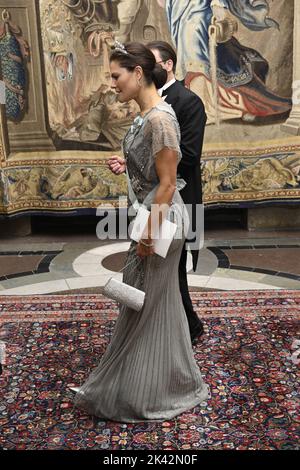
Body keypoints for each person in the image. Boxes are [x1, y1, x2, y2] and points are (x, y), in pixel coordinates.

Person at [73, 42, 208, 422]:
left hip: (161, 223)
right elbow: (151, 173)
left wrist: (148, 236)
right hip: (152, 217)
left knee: (144, 305)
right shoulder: (147, 116)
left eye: (115, 76)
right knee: (151, 305)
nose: (112, 83)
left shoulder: (161, 120)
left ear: (137, 73)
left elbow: (167, 184)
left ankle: (144, 389)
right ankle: (163, 381)